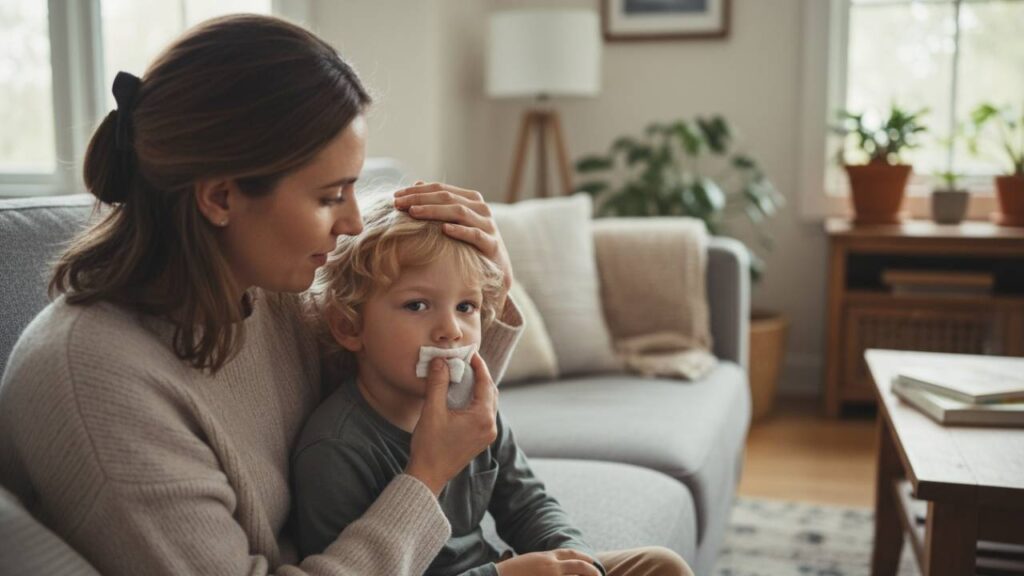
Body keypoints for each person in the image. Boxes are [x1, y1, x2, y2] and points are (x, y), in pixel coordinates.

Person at [0, 14, 522, 576]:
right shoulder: (96, 377)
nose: (351, 222)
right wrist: (426, 480)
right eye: (329, 196)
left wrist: (491, 280)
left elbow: (403, 389)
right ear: (221, 197)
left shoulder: (264, 293)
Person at [293, 198, 694, 576]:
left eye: (465, 307)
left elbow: (527, 502)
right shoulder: (335, 448)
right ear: (349, 326)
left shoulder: (470, 407)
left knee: (661, 566)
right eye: (417, 305)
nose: (450, 330)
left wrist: (580, 561)